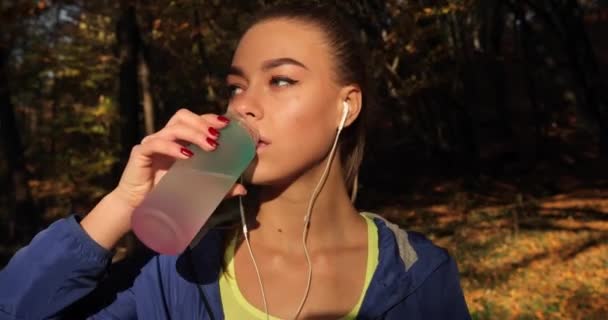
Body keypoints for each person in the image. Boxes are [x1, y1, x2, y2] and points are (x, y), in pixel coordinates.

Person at [0, 2, 470, 319]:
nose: (243, 104)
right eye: (235, 86)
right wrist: (121, 206)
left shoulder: (419, 276)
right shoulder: (176, 274)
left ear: (346, 105)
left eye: (281, 80)